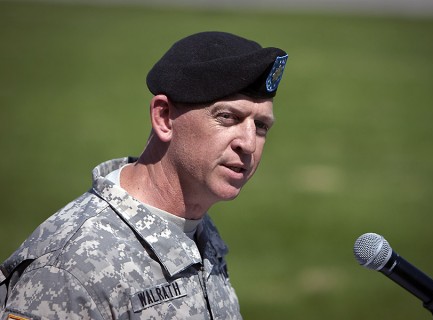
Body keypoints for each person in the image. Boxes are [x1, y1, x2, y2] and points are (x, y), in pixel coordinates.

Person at [0, 31, 288, 319]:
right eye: (227, 117)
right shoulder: (71, 266)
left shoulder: (196, 228)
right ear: (163, 118)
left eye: (261, 126)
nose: (249, 143)